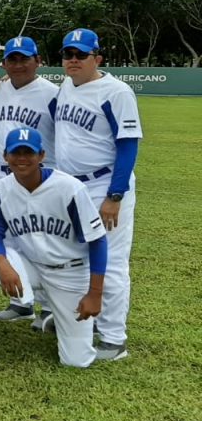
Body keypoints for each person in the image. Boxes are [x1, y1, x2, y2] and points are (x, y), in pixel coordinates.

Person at [0, 127, 107, 367]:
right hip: (30, 265)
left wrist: (95, 293)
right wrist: (2, 263)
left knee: (76, 361)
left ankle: (59, 319)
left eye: (28, 152)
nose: (21, 158)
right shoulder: (1, 188)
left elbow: (98, 241)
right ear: (5, 157)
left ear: (41, 156)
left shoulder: (70, 188)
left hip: (69, 272)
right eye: (15, 152)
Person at [53, 28, 141, 361]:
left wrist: (115, 195)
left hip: (104, 186)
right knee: (76, 257)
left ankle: (114, 337)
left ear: (97, 58)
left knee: (113, 262)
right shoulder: (65, 85)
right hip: (72, 186)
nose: (73, 60)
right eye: (68, 54)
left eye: (81, 55)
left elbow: (128, 145)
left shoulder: (116, 92)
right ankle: (84, 321)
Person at [0, 35, 59, 324]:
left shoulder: (52, 93)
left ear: (38, 61)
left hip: (37, 176)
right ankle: (22, 303)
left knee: (40, 240)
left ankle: (50, 307)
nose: (17, 65)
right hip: (1, 174)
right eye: (12, 59)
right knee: (8, 239)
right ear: (4, 63)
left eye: (24, 59)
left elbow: (63, 136)